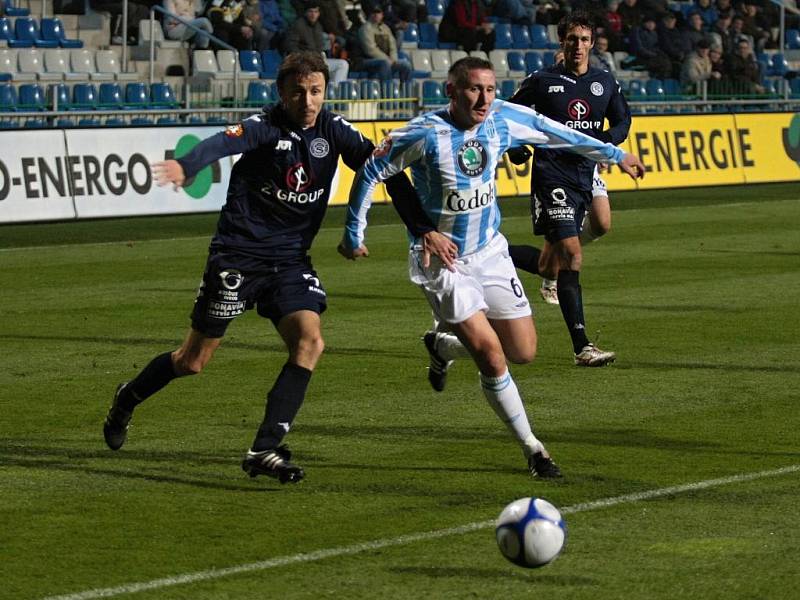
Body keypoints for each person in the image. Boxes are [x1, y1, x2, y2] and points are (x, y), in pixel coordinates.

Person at [103, 52, 423, 484]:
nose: (308, 101)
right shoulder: (264, 125)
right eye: (298, 91)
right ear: (281, 92)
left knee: (310, 342)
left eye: (316, 91)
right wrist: (187, 164)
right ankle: (129, 396)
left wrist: (421, 229)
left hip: (289, 261)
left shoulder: (336, 131)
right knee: (193, 361)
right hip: (238, 257)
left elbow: (385, 172)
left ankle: (265, 448)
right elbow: (222, 143)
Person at [338, 56, 644, 477]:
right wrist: (355, 233)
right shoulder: (425, 134)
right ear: (451, 91)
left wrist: (614, 153)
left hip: (491, 252)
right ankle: (535, 450)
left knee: (524, 351)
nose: (483, 99)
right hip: (442, 262)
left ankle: (441, 346)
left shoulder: (502, 119)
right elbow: (372, 169)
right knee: (491, 354)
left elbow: (552, 131)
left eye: (489, 89)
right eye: (473, 89)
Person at [505, 11, 633, 367]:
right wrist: (517, 147)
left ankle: (492, 252)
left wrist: (606, 144)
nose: (578, 46)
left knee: (550, 264)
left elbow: (623, 119)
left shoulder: (604, 81)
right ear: (561, 42)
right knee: (573, 255)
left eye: (584, 39)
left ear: (592, 43)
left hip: (584, 173)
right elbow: (509, 115)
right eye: (572, 39)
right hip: (552, 175)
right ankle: (582, 347)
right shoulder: (543, 80)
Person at [283, 1, 349, 84]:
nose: (313, 14)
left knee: (342, 64)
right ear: (306, 12)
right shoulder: (298, 25)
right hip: (303, 62)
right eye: (311, 11)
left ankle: (333, 91)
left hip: (316, 61)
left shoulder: (318, 26)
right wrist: (305, 57)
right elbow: (290, 46)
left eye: (316, 12)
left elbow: (319, 47)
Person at [356, 6, 411, 81]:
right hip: (367, 60)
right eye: (373, 13)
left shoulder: (385, 28)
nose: (376, 15)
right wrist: (387, 59)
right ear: (369, 14)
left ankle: (405, 90)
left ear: (382, 15)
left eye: (378, 13)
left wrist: (393, 59)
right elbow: (370, 49)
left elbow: (393, 46)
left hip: (387, 60)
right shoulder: (365, 28)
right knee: (384, 63)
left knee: (405, 65)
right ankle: (386, 90)